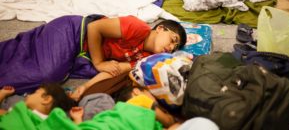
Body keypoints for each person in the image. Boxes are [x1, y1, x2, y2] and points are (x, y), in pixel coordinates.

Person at [0, 15, 187, 97]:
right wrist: (98, 62)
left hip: (83, 53)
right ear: (160, 28)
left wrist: (85, 88)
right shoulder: (138, 27)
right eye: (172, 39)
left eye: (174, 47)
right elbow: (94, 27)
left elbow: (113, 71)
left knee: (52, 76)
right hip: (73, 31)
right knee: (49, 74)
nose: (170, 48)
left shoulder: (145, 59)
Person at [0, 83, 76, 128]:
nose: (27, 95)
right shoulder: (19, 111)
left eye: (34, 93)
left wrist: (77, 118)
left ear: (46, 99)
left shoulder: (54, 120)